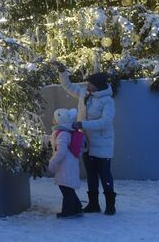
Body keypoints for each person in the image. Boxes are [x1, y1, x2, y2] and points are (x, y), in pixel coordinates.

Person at [52, 61, 117, 215]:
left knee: (105, 174)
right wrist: (62, 71)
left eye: (90, 84)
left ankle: (110, 205)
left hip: (102, 144)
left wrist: (83, 124)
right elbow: (68, 86)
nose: (87, 86)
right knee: (91, 175)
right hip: (86, 143)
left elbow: (105, 122)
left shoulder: (108, 101)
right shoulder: (84, 94)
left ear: (98, 86)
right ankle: (93, 204)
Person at [49, 108, 83, 219]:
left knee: (66, 189)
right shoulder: (65, 132)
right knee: (68, 189)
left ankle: (68, 211)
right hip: (68, 164)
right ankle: (77, 208)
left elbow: (61, 151)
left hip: (65, 166)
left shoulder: (62, 133)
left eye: (54, 118)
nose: (53, 120)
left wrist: (52, 161)